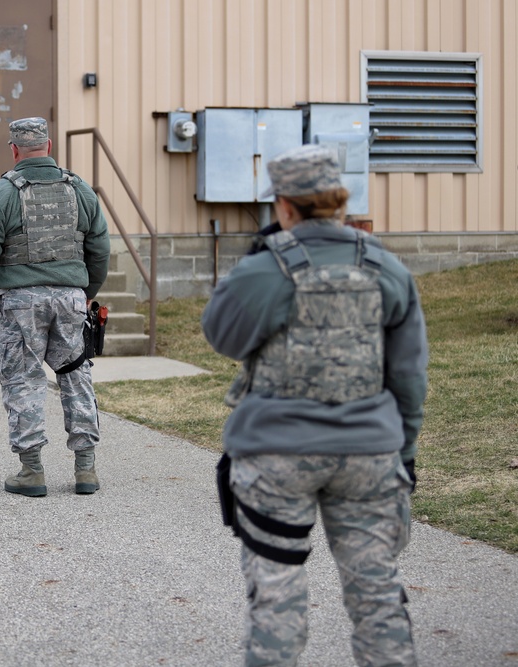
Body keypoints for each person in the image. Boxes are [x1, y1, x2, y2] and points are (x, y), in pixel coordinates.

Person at [202, 144, 427, 666]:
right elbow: (409, 377)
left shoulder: (267, 269)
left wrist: (256, 265)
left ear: (283, 206)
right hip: (369, 455)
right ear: (340, 199)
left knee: (276, 599)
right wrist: (405, 454)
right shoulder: (386, 268)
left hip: (277, 455)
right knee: (377, 594)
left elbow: (222, 336)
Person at [0, 117, 110, 497]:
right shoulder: (81, 191)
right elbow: (100, 247)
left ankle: (31, 472)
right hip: (71, 298)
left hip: (22, 302)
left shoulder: (1, 193)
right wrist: (87, 290)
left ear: (13, 149)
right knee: (76, 376)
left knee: (23, 379)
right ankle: (86, 469)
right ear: (50, 145)